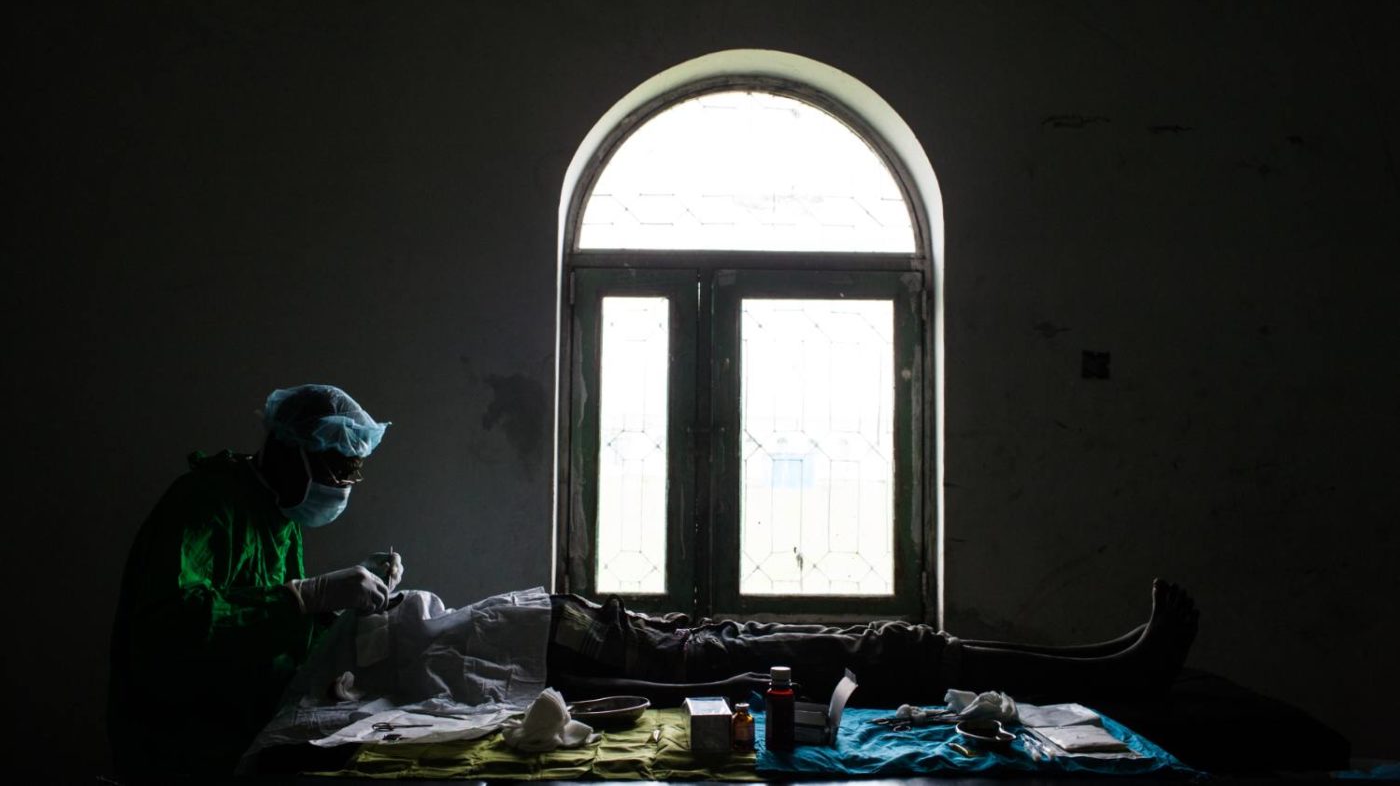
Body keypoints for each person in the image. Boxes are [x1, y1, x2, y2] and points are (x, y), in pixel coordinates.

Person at [107, 384, 400, 775]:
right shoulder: (203, 502)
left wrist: (340, 610)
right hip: (179, 741)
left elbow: (272, 622)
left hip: (242, 728)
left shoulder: (279, 514)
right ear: (290, 451)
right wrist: (307, 596)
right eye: (334, 472)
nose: (340, 489)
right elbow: (171, 627)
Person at [544, 579, 1199, 708]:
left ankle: (1104, 661)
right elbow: (581, 690)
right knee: (895, 654)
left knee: (893, 645)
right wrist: (714, 688)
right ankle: (1118, 677)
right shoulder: (480, 655)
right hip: (708, 661)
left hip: (707, 638)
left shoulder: (479, 625)